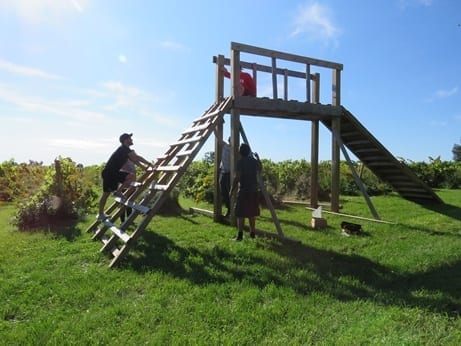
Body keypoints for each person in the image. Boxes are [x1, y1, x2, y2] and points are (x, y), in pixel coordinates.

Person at [97, 133, 153, 221]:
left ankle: (118, 191)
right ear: (125, 140)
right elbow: (137, 158)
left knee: (130, 176)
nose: (132, 140)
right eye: (130, 138)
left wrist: (146, 169)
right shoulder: (124, 149)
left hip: (114, 173)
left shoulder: (126, 150)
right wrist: (149, 164)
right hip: (109, 174)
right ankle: (100, 214)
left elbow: (136, 161)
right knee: (106, 194)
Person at [229, 143, 262, 241]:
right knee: (251, 213)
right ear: (248, 152)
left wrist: (232, 190)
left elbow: (237, 177)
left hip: (243, 191)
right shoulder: (254, 161)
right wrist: (258, 158)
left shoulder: (240, 162)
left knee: (240, 214)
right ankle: (252, 233)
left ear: (240, 152)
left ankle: (239, 236)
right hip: (253, 191)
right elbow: (260, 169)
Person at [219, 137, 231, 217]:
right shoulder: (225, 146)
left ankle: (232, 210)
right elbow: (218, 137)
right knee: (224, 192)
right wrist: (213, 127)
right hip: (223, 172)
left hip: (230, 174)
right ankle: (228, 208)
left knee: (231, 192)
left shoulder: (237, 150)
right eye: (230, 140)